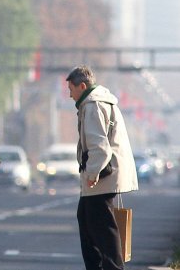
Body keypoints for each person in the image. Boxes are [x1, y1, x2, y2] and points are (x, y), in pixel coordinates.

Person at [67, 65, 138, 270]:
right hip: (104, 177)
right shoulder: (97, 102)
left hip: (101, 178)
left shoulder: (92, 106)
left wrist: (92, 174)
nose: (70, 95)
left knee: (103, 229)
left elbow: (100, 148)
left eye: (71, 89)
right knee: (88, 222)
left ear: (82, 86)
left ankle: (111, 267)